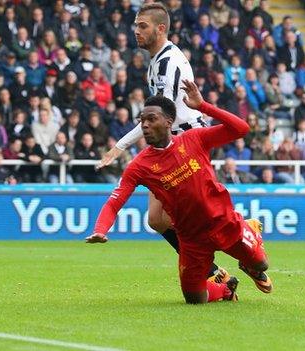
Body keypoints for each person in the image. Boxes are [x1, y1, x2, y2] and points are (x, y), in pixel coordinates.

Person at [86, 80, 272, 304]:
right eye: (142, 120)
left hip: (224, 222)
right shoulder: (139, 166)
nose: (144, 125)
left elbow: (241, 129)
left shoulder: (195, 138)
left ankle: (249, 230)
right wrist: (100, 229)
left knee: (262, 264)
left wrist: (203, 106)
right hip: (191, 238)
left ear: (168, 122)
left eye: (151, 119)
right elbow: (115, 201)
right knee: (195, 298)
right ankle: (226, 290)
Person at [97, 3, 227, 282]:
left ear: (160, 28)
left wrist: (120, 145)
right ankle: (214, 270)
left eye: (142, 26)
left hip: (187, 144)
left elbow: (160, 116)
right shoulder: (157, 61)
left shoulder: (168, 64)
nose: (136, 31)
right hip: (172, 143)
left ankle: (237, 250)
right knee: (158, 219)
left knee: (197, 216)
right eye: (135, 26)